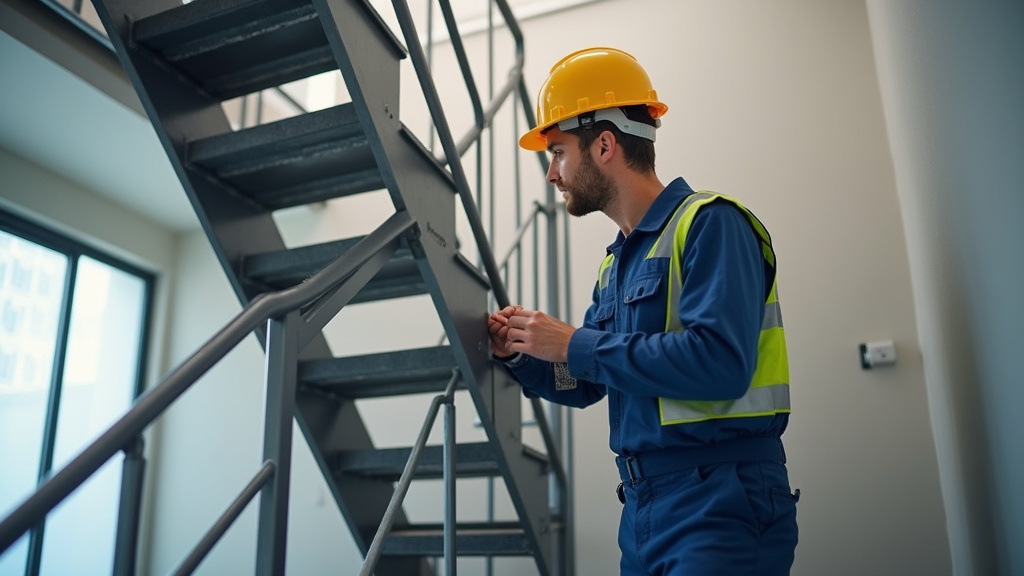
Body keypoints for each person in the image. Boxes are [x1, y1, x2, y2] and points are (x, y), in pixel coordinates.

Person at [488, 47, 799, 575]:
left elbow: (720, 363)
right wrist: (521, 353)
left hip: (719, 499)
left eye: (558, 152)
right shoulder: (617, 264)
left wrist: (573, 341)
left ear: (604, 144)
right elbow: (586, 381)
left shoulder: (711, 224)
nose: (552, 174)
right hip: (642, 508)